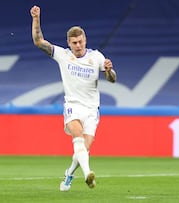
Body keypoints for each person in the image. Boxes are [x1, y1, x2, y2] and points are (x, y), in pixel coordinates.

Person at [30, 5, 117, 191]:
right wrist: (36, 18)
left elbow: (112, 80)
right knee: (77, 139)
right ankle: (88, 175)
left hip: (92, 110)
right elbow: (39, 41)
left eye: (80, 41)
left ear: (85, 40)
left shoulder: (96, 57)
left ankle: (69, 174)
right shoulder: (63, 55)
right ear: (68, 43)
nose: (78, 45)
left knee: (83, 149)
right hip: (73, 106)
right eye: (74, 43)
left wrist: (109, 71)